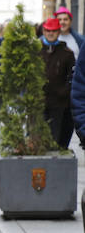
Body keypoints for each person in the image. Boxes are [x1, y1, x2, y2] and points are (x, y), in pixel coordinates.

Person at [40, 18, 76, 149]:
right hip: (40, 102)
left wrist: (64, 91)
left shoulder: (67, 54)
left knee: (57, 138)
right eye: (48, 31)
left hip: (59, 104)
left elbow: (72, 76)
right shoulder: (36, 51)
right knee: (40, 138)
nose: (50, 33)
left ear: (58, 32)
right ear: (43, 31)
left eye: (53, 31)